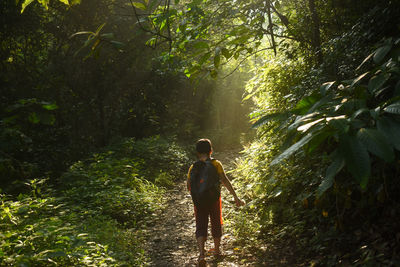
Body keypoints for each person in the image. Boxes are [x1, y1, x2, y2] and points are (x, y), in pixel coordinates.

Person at [187, 138, 245, 266]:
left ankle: (202, 254)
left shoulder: (193, 167)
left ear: (197, 153)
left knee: (201, 225)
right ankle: (217, 251)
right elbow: (224, 180)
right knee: (216, 222)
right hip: (214, 199)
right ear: (211, 151)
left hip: (199, 202)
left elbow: (189, 187)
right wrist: (235, 196)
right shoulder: (216, 164)